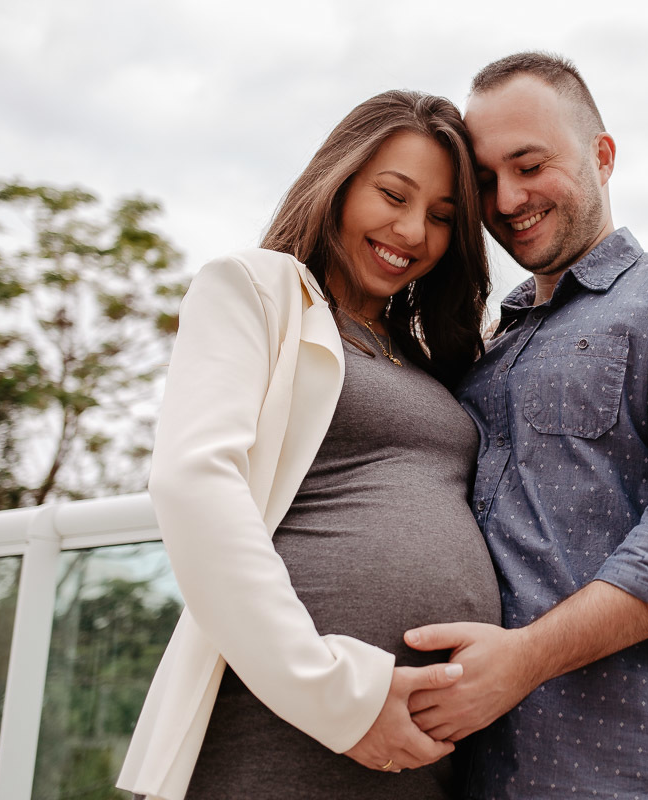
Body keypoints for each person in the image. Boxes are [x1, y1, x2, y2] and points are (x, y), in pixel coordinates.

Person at [403, 53, 648, 799]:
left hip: (640, 773)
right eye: (484, 181)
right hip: (480, 775)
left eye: (530, 164)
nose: (508, 199)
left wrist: (522, 660)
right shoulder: (480, 351)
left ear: (602, 156)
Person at [116, 90, 501, 800]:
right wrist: (338, 698)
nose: (413, 231)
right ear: (339, 182)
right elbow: (194, 483)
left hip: (421, 745)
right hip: (288, 723)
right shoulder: (257, 290)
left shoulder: (423, 357)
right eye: (393, 194)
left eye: (443, 217)